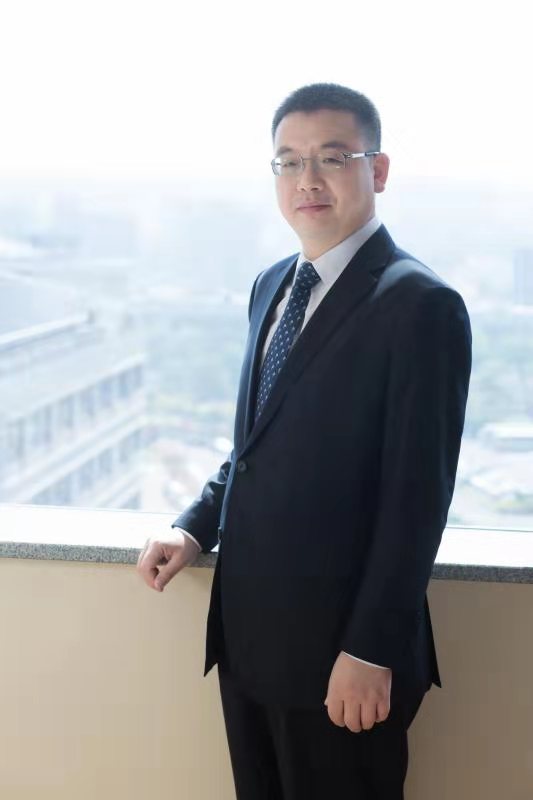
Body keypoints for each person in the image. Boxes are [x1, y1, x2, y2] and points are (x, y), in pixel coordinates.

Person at [137, 83, 472, 799]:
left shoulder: (420, 305)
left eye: (331, 157)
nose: (307, 179)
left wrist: (369, 649)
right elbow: (258, 443)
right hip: (249, 643)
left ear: (377, 170)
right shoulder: (270, 286)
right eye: (288, 161)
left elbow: (418, 500)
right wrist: (194, 525)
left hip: (341, 661)